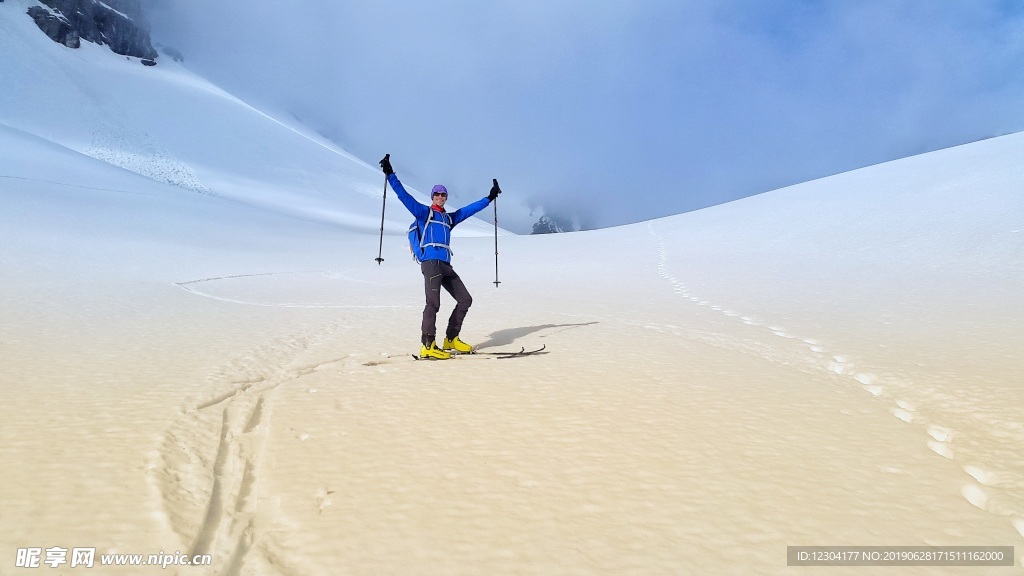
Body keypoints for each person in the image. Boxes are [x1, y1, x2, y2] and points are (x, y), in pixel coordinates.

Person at [380, 154, 501, 359]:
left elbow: (469, 210)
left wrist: (489, 198)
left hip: (445, 264)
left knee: (465, 299)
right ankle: (427, 345)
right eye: (436, 194)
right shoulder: (423, 213)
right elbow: (403, 196)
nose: (440, 196)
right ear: (432, 196)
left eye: (443, 194)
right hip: (431, 263)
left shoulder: (448, 218)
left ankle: (451, 339)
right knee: (433, 303)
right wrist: (390, 173)